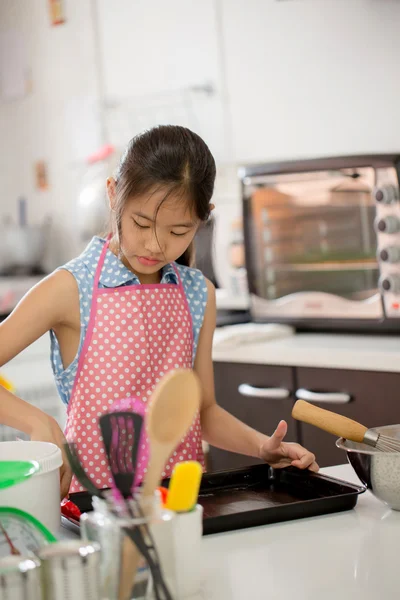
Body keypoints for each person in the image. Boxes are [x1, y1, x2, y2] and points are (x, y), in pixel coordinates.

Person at [0, 126, 318, 498]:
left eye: (178, 231)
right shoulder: (71, 288)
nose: (155, 244)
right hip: (96, 511)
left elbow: (202, 411)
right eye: (141, 223)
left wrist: (262, 447)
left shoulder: (198, 293)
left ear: (203, 219)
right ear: (113, 194)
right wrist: (36, 421)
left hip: (182, 505)